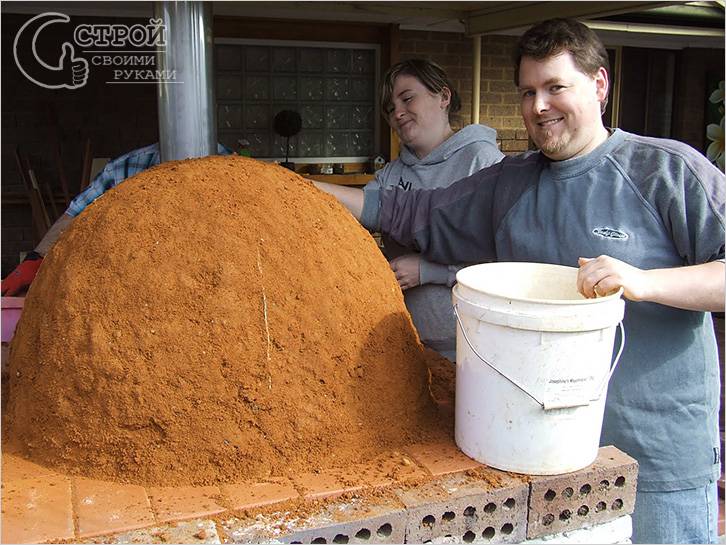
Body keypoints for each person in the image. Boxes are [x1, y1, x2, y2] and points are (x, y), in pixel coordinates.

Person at [315, 18, 725, 544]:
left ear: (599, 85)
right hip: (539, 456)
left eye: (556, 87)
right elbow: (405, 210)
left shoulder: (664, 171)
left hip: (655, 457)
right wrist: (298, 189)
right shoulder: (510, 183)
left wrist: (644, 282)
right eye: (528, 91)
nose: (539, 106)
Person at [333, 59, 503, 360]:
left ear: (443, 97)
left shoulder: (483, 163)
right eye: (390, 108)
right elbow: (354, 213)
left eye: (407, 98)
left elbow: (504, 265)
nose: (397, 113)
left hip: (470, 349)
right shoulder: (391, 175)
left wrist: (430, 271)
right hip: (409, 348)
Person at [1, 142, 231, 296]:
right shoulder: (125, 169)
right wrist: (35, 259)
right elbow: (75, 214)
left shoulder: (233, 170)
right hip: (136, 285)